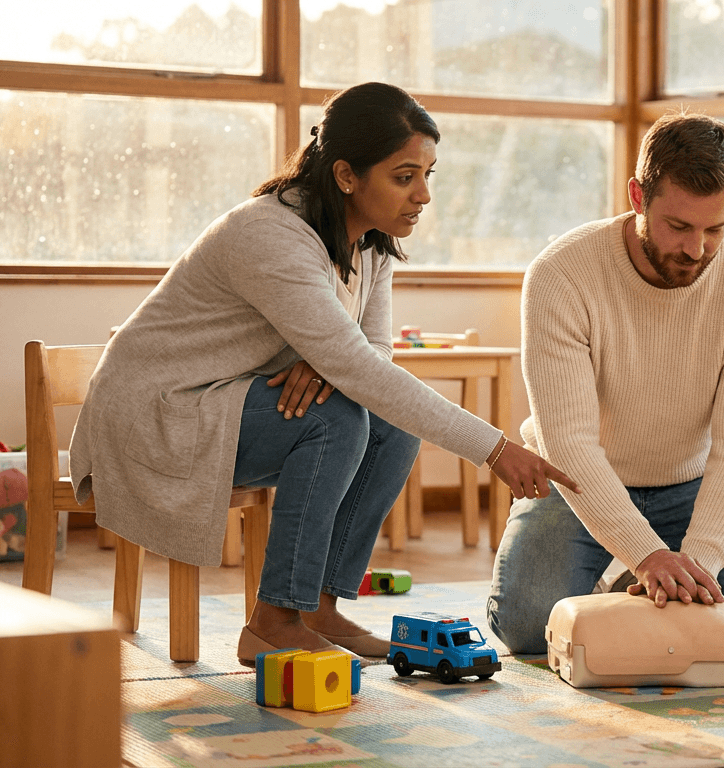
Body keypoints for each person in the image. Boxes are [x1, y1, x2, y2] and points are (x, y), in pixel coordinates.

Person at [68, 82, 578, 666]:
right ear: (345, 175)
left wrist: (328, 360)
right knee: (337, 420)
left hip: (225, 401)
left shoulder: (371, 246)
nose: (424, 195)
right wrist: (493, 449)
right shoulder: (271, 233)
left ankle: (318, 607)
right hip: (158, 412)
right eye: (405, 176)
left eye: (429, 174)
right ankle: (275, 620)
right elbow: (360, 363)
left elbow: (374, 354)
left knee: (389, 422)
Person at [485, 112, 724, 654]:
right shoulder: (560, 274)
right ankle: (629, 572)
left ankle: (630, 584)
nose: (697, 250)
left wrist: (696, 566)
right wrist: (647, 554)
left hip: (692, 481)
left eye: (716, 229)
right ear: (638, 196)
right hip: (575, 482)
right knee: (528, 627)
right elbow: (569, 443)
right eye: (679, 226)